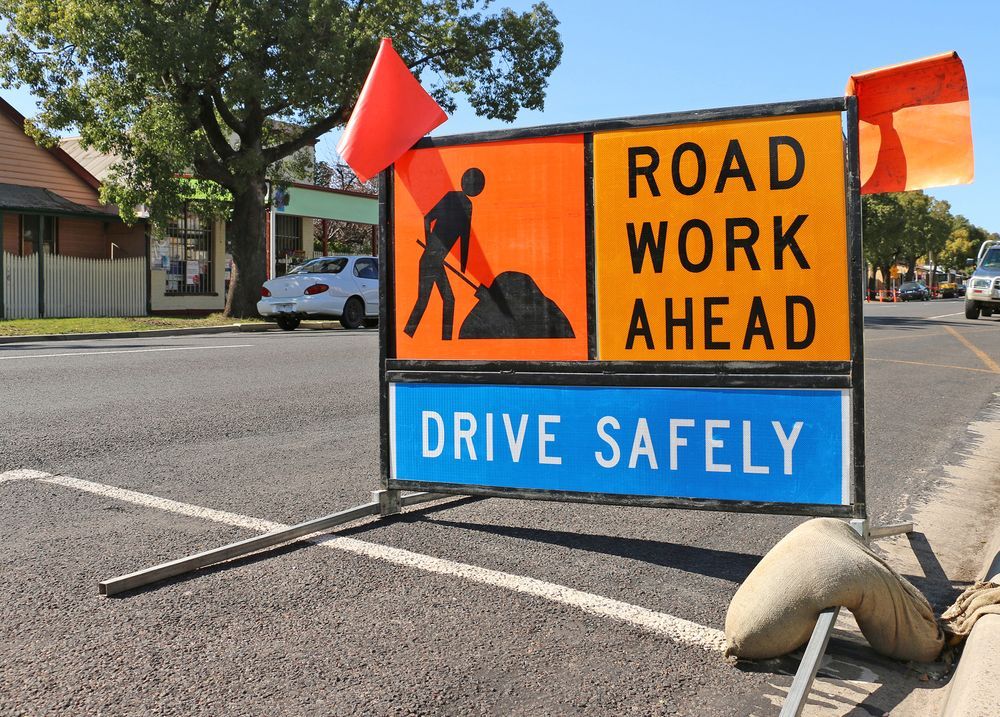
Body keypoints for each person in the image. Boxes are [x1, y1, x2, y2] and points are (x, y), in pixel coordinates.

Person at [403, 167, 485, 340]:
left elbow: (465, 236)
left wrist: (464, 265)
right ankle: (411, 335)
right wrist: (429, 245)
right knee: (427, 301)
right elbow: (427, 218)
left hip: (436, 260)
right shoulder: (451, 197)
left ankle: (440, 339)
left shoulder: (468, 205)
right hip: (430, 260)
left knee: (446, 301)